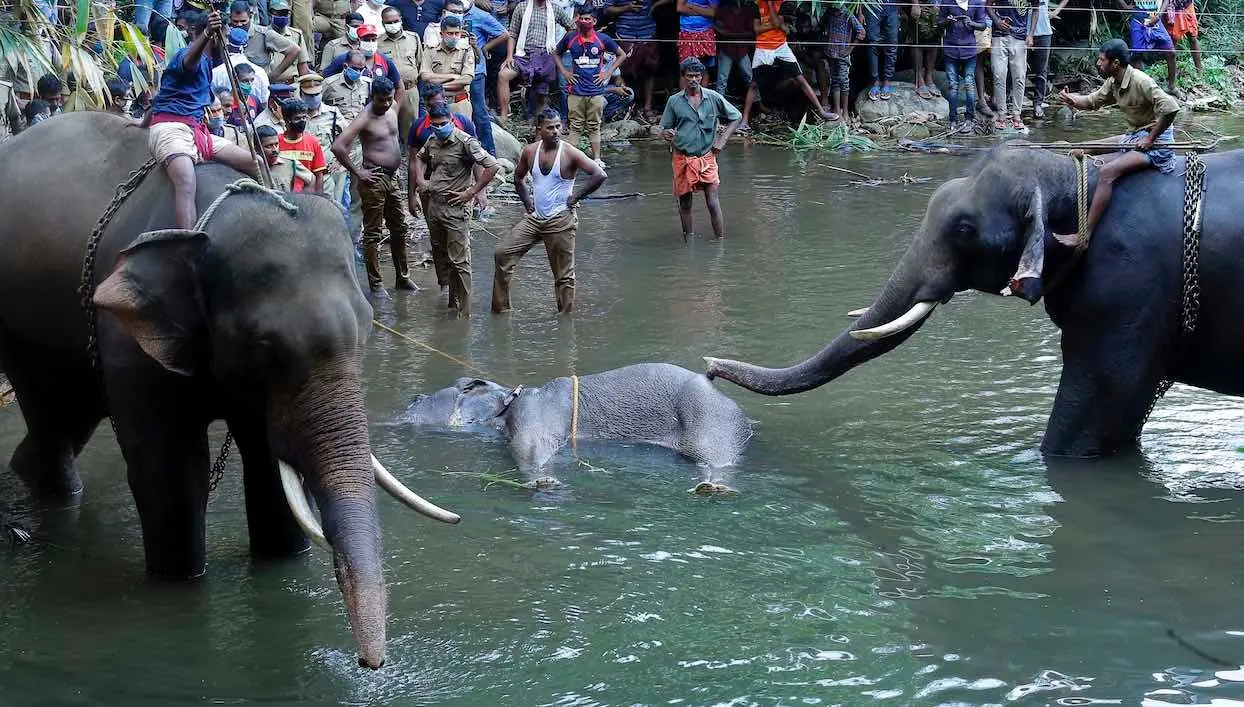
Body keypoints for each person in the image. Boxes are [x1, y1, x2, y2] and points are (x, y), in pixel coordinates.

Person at [1055, 39, 1179, 247]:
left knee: (1107, 173)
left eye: (1102, 60)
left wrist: (1151, 139)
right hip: (1134, 136)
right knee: (1084, 147)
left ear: (1115, 63)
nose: (1098, 63)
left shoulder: (1141, 81)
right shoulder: (1113, 82)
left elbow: (1171, 108)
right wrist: (1071, 99)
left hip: (1157, 143)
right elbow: (1091, 102)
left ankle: (1084, 236)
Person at [146, 8, 259, 230]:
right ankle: (187, 243)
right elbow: (190, 62)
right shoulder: (185, 54)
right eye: (224, 36)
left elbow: (160, 97)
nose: (226, 41)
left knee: (256, 163)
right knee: (186, 182)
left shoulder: (208, 63)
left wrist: (142, 123)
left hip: (198, 133)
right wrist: (208, 34)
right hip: (171, 131)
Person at [491, 108, 606, 314]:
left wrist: (575, 197)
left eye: (558, 126)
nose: (555, 131)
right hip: (535, 218)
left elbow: (599, 174)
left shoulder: (569, 152)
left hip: (560, 218)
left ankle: (565, 322)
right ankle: (501, 311)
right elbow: (518, 178)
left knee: (563, 275)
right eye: (550, 127)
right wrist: (527, 203)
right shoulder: (530, 151)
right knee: (502, 254)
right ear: (539, 129)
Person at [411, 102, 500, 317]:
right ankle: (452, 302)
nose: (440, 127)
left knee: (460, 261)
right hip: (434, 205)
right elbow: (419, 157)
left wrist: (472, 192)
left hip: (456, 208)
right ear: (430, 124)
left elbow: (492, 166)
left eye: (444, 124)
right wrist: (420, 180)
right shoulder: (432, 140)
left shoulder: (465, 141)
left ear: (451, 121)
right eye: (436, 124)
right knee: (442, 256)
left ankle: (465, 311)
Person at [331, 77, 416, 294]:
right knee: (373, 233)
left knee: (399, 228)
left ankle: (403, 277)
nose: (386, 104)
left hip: (393, 177)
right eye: (381, 100)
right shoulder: (365, 117)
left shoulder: (393, 107)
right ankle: (376, 285)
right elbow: (338, 146)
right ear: (372, 97)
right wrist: (357, 171)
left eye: (388, 99)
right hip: (373, 178)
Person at [660, 57, 740, 241]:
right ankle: (689, 241)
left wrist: (722, 140)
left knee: (712, 202)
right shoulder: (674, 101)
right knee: (685, 203)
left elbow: (736, 117)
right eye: (689, 76)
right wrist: (666, 133)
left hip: (707, 156)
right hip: (682, 157)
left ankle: (720, 241)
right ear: (683, 78)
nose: (693, 80)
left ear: (702, 76)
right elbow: (664, 128)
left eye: (697, 75)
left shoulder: (713, 97)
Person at [741, 0, 833, 130]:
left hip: (781, 46)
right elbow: (757, 29)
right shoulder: (757, 5)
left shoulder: (783, 4)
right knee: (754, 85)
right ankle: (744, 121)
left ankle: (822, 111)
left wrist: (771, 6)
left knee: (800, 79)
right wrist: (777, 25)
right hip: (763, 47)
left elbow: (776, 21)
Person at [555, 5, 625, 166]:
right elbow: (555, 53)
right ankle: (571, 160)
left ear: (594, 21)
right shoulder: (570, 37)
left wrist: (607, 73)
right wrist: (565, 73)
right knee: (575, 125)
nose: (584, 21)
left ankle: (597, 159)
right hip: (576, 90)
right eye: (581, 18)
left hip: (596, 90)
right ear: (578, 20)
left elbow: (620, 55)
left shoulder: (603, 39)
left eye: (588, 19)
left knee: (594, 125)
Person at [498, 0, 574, 122]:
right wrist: (509, 56)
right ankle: (504, 117)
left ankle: (539, 130)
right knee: (503, 75)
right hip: (523, 54)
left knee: (541, 96)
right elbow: (512, 33)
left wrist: (559, 47)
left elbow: (572, 27)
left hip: (545, 56)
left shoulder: (555, 9)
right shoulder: (522, 7)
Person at [453, 0, 510, 154]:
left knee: (479, 111)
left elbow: (504, 33)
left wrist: (484, 47)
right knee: (456, 109)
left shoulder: (481, 15)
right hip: (453, 71)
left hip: (476, 70)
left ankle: (489, 151)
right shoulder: (449, 12)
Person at [605, 0, 668, 121]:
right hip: (624, 34)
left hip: (647, 33)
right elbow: (607, 10)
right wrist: (627, 8)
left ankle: (647, 107)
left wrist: (655, 5)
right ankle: (626, 107)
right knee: (622, 72)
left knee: (650, 70)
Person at [940, 0, 987, 133]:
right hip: (950, 49)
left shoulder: (977, 3)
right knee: (952, 85)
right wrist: (947, 21)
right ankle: (953, 119)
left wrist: (971, 23)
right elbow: (939, 22)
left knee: (969, 83)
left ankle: (969, 119)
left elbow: (983, 25)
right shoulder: (947, 2)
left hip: (969, 50)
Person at [378, 5, 423, 142]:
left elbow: (420, 63)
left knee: (411, 132)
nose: (393, 25)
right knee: (387, 129)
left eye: (395, 21)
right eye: (389, 23)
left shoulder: (413, 38)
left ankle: (409, 161)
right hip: (388, 93)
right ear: (383, 23)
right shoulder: (378, 42)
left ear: (401, 20)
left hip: (410, 90)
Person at [298, 73, 346, 199]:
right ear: (301, 94)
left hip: (327, 174)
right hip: (302, 175)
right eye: (309, 95)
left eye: (316, 94)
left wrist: (339, 161)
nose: (313, 98)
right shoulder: (296, 116)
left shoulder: (332, 113)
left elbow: (347, 137)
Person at [229, 1, 302, 82]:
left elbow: (294, 50)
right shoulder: (225, 35)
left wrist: (274, 75)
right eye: (235, 21)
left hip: (259, 86)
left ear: (250, 17)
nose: (239, 25)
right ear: (230, 18)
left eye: (243, 21)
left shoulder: (263, 34)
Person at [419, 13, 476, 117]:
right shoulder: (430, 50)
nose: (454, 37)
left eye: (457, 33)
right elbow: (425, 76)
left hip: (459, 103)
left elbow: (466, 79)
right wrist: (452, 76)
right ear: (441, 34)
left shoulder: (466, 50)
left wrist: (438, 88)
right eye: (450, 33)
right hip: (435, 104)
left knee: (462, 132)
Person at [988, 0, 1031, 132]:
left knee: (1019, 77)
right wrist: (997, 21)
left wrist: (1031, 34)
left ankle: (1017, 115)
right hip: (999, 36)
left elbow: (1036, 10)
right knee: (998, 75)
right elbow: (988, 5)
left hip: (1020, 37)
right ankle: (1002, 115)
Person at [1119, 0, 1178, 94]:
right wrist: (1125, 6)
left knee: (1171, 52)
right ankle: (1142, 88)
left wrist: (1159, 16)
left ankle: (1172, 87)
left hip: (1155, 17)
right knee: (1136, 55)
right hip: (1138, 18)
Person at [820, 0, 864, 120]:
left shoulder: (847, 13)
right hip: (831, 53)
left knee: (843, 81)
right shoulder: (829, 13)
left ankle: (845, 111)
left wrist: (850, 49)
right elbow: (821, 26)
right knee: (835, 80)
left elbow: (861, 32)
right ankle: (837, 110)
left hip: (843, 54)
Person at [1027, 0, 1068, 119]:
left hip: (1044, 31)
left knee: (1042, 71)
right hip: (1022, 31)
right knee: (1018, 69)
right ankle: (1012, 103)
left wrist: (1055, 11)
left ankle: (1038, 103)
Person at [277, 98, 328, 193]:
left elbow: (319, 175)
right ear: (287, 120)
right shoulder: (276, 142)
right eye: (297, 118)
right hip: (283, 193)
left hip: (306, 195)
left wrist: (318, 198)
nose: (302, 121)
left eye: (304, 117)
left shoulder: (313, 142)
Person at [213, 29, 271, 104]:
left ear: (227, 44)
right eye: (245, 81)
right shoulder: (260, 72)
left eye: (251, 81)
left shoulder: (216, 72)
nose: (249, 84)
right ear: (246, 46)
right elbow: (265, 102)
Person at [713, 0, 754, 99]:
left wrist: (731, 34)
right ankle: (719, 107)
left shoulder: (747, 11)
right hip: (727, 48)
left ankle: (757, 103)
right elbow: (717, 28)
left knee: (750, 78)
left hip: (742, 49)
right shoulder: (723, 11)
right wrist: (734, 35)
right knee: (722, 80)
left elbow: (752, 32)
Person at [257, 124, 316, 191]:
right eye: (268, 146)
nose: (275, 150)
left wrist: (304, 198)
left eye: (276, 144)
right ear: (257, 148)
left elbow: (311, 179)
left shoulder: (290, 163)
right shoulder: (251, 166)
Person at [266, 0, 313, 83]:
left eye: (285, 14)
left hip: (292, 86)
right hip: (269, 84)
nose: (282, 17)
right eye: (279, 14)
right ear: (270, 14)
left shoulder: (296, 35)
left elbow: (303, 69)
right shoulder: (263, 35)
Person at [863, 0, 898, 100]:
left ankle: (887, 81)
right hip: (872, 4)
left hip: (891, 5)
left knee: (892, 43)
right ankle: (875, 82)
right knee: (872, 43)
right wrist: (860, 12)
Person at [909, 0, 942, 100]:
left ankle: (929, 78)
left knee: (935, 38)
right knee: (918, 38)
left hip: (936, 4)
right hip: (920, 4)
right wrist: (915, 3)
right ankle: (919, 79)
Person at [1164, 0, 1201, 76]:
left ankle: (1200, 71)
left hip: (1187, 5)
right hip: (1172, 8)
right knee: (1173, 39)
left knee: (1193, 37)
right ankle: (1173, 73)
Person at [677, 0, 718, 65]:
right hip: (686, 32)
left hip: (705, 32)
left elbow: (713, 13)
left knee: (703, 67)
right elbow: (680, 8)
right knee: (685, 66)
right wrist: (704, 12)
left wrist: (691, 6)